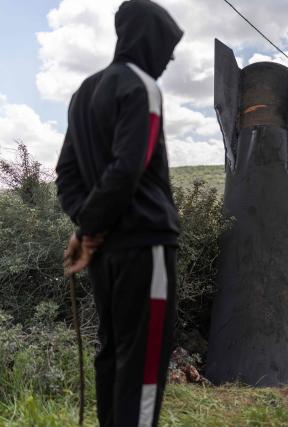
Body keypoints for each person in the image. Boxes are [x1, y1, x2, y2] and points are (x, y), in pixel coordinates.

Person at [55, 1, 183, 426]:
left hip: (105, 254)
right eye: (168, 46)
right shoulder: (142, 86)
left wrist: (86, 230)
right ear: (150, 40)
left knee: (112, 357)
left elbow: (67, 175)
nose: (170, 58)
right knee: (143, 370)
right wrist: (89, 229)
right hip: (146, 247)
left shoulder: (83, 93)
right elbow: (130, 167)